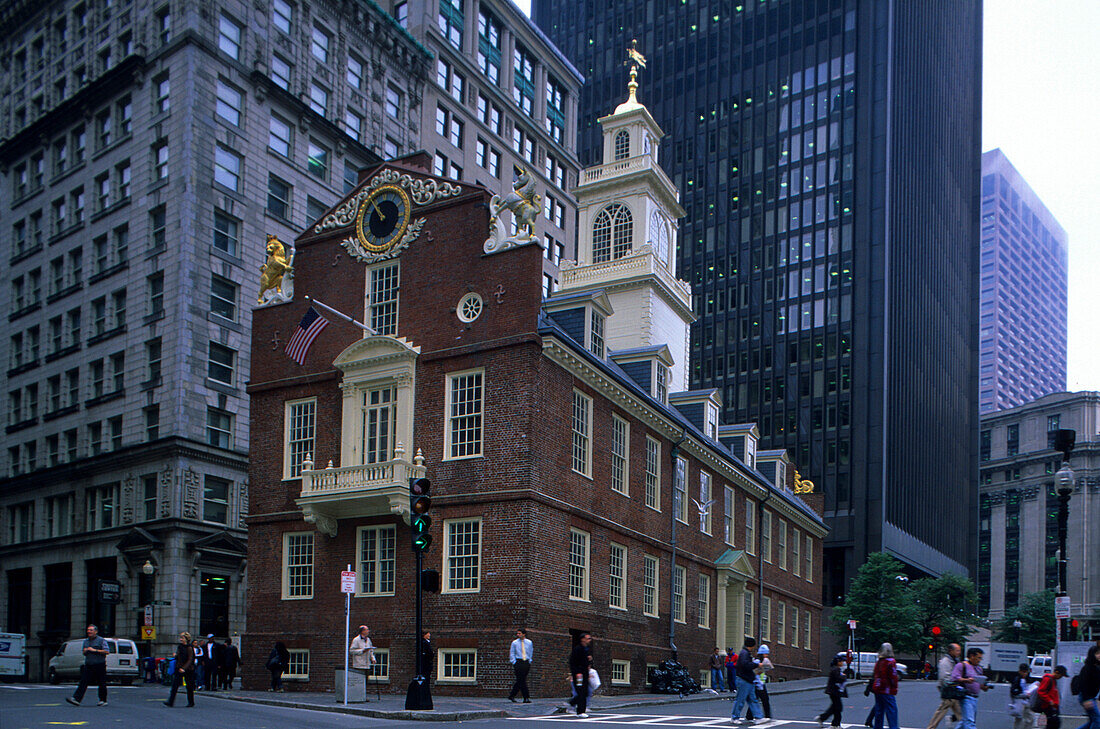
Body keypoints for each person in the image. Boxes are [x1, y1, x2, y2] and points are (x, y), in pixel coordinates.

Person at [65, 624, 110, 706]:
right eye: (88, 630)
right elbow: (84, 653)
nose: (89, 632)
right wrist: (85, 651)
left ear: (96, 632)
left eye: (91, 630)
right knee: (83, 681)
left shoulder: (101, 640)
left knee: (101, 682)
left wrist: (94, 650)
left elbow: (106, 651)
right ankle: (76, 699)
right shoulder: (86, 641)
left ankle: (103, 700)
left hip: (99, 664)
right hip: (89, 664)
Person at [951, 646, 990, 729]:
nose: (980, 660)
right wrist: (966, 680)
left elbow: (980, 683)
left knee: (965, 721)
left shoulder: (979, 668)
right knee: (969, 721)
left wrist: (984, 687)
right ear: (972, 656)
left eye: (981, 658)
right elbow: (954, 678)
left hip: (975, 697)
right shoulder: (961, 665)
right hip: (966, 696)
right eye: (978, 658)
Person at [926, 643, 963, 729]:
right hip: (948, 690)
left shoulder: (954, 660)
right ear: (951, 651)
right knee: (943, 709)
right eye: (957, 650)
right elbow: (944, 677)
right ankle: (931, 727)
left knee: (959, 711)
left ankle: (964, 724)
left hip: (953, 689)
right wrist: (954, 683)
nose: (959, 652)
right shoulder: (945, 661)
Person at [729, 637, 763, 724]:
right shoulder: (745, 653)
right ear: (751, 646)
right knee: (742, 699)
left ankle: (758, 717)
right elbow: (746, 665)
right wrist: (756, 664)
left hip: (747, 679)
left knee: (752, 699)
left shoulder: (744, 653)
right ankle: (735, 717)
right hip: (744, 679)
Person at [871, 643, 900, 729]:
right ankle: (893, 727)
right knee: (891, 710)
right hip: (887, 689)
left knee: (879, 710)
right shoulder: (891, 661)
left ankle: (878, 727)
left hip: (878, 687)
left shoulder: (879, 661)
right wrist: (895, 687)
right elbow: (893, 676)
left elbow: (875, 674)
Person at [164, 632, 196, 707]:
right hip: (179, 668)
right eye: (180, 638)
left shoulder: (189, 648)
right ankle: (170, 701)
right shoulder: (180, 647)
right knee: (175, 685)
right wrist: (175, 656)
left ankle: (191, 702)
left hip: (188, 669)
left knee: (189, 686)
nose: (181, 639)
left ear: (186, 639)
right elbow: (178, 657)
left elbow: (190, 659)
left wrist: (184, 668)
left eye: (182, 638)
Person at [817, 656, 847, 728]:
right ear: (838, 662)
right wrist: (844, 676)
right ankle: (835, 724)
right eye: (842, 661)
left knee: (834, 707)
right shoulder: (836, 669)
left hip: (834, 691)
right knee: (838, 708)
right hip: (834, 691)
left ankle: (822, 718)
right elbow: (838, 679)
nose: (843, 663)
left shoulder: (836, 669)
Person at [569, 632, 593, 718]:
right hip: (579, 674)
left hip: (585, 674)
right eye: (588, 638)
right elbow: (572, 662)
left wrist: (589, 660)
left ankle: (572, 703)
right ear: (583, 639)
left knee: (585, 691)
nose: (589, 640)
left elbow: (586, 662)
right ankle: (580, 711)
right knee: (581, 691)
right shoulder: (578, 649)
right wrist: (576, 672)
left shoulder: (586, 649)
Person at [349, 625, 376, 702]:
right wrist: (362, 651)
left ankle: (363, 696)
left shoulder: (368, 640)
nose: (368, 631)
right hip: (359, 664)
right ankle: (357, 696)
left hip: (366, 664)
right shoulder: (356, 640)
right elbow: (351, 651)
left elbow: (371, 651)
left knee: (365, 682)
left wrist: (373, 659)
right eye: (367, 630)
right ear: (362, 631)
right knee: (358, 681)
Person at [1076, 646, 1100, 729]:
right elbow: (1083, 684)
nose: (1099, 655)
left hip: (1091, 697)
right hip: (1087, 697)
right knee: (1097, 720)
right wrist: (1086, 699)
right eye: (1097, 653)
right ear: (1092, 655)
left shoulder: (1096, 667)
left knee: (1093, 720)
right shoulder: (1088, 668)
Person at [1036, 665, 1067, 729]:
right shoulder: (1048, 679)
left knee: (1054, 723)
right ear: (1057, 672)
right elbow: (1041, 691)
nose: (1060, 677)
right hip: (1048, 706)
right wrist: (1049, 700)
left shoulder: (1053, 680)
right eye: (1061, 675)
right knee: (1053, 723)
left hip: (1053, 706)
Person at [508, 628, 534, 703]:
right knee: (522, 680)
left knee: (520, 680)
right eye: (517, 633)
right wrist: (514, 662)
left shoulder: (529, 642)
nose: (518, 635)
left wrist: (529, 660)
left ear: (524, 634)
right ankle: (526, 697)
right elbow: (512, 653)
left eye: (519, 633)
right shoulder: (515, 643)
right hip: (518, 662)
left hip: (526, 661)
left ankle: (512, 695)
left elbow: (530, 651)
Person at [748, 644, 774, 719]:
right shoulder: (757, 661)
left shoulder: (763, 661)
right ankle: (767, 716)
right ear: (762, 653)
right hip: (757, 683)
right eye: (765, 654)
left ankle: (749, 716)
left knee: (757, 700)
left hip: (761, 683)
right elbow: (754, 672)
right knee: (764, 700)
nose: (766, 655)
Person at [1009, 663, 1035, 729]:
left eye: (1026, 672)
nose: (1025, 674)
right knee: (1019, 720)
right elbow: (1013, 692)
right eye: (1023, 672)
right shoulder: (1017, 679)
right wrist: (1024, 694)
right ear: (1020, 671)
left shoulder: (1024, 679)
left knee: (1030, 718)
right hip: (1020, 702)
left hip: (1025, 701)